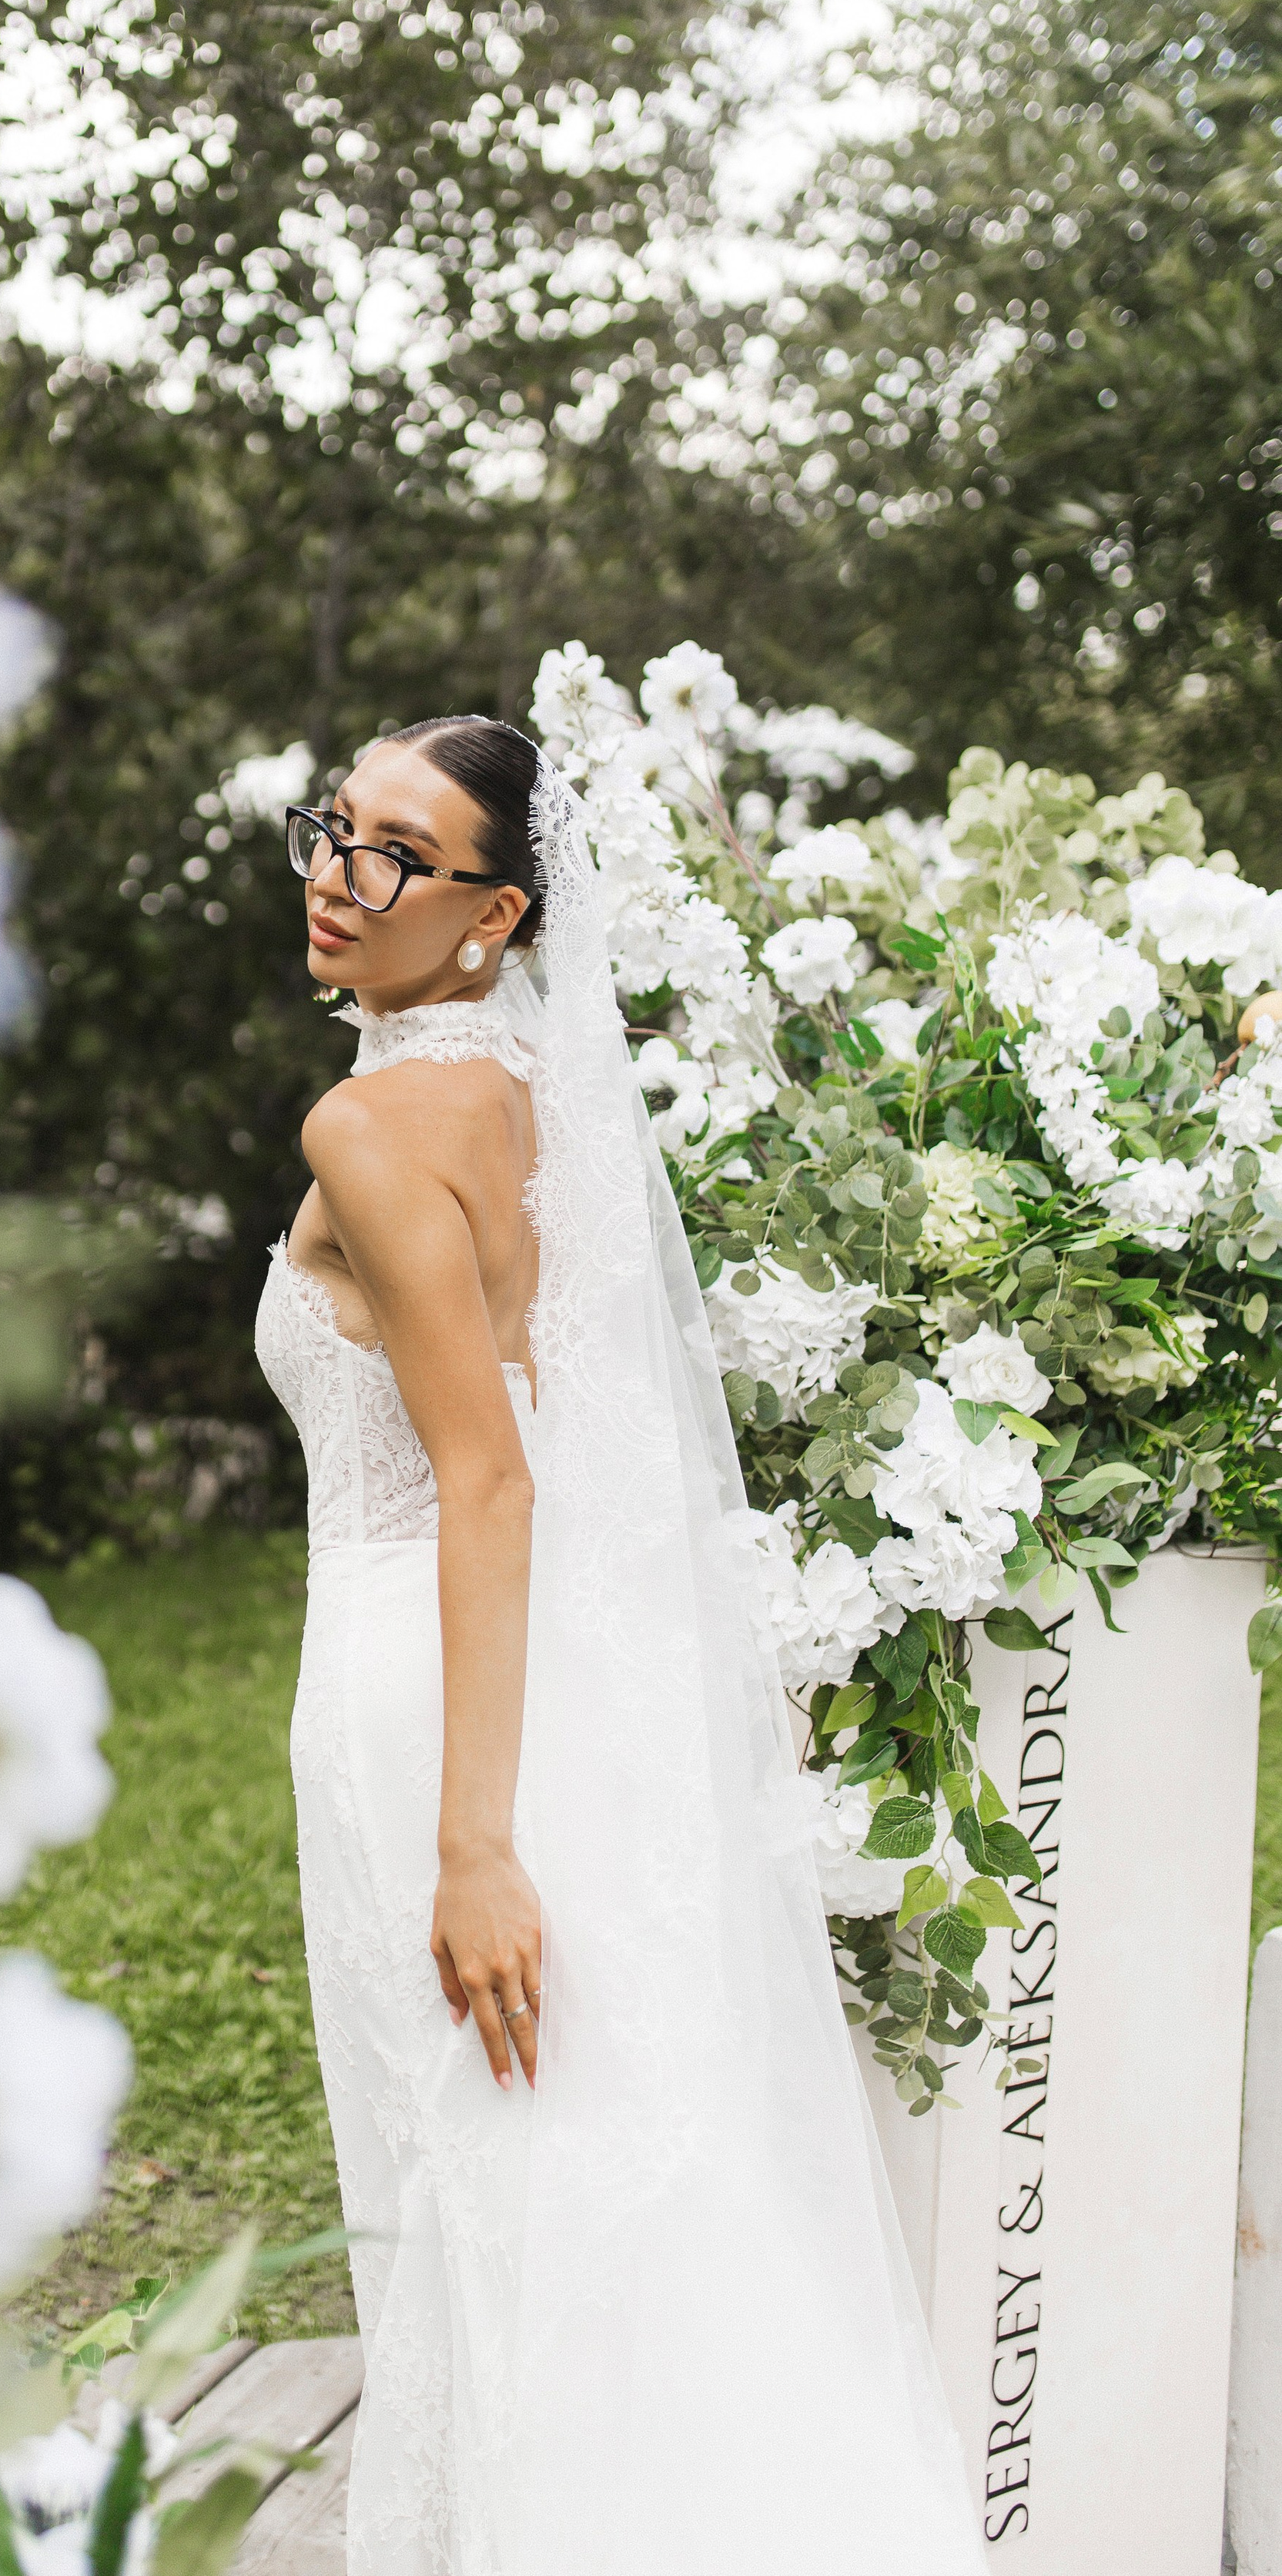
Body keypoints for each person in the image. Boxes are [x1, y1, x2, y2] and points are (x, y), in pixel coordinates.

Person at [253, 715, 985, 2575]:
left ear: (491, 916)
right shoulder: (520, 1096)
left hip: (435, 1707)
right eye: (333, 832)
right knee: (571, 2179)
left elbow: (488, 1483)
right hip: (512, 1693)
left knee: (501, 2201)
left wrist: (474, 1844)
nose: (342, 876)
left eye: (397, 855)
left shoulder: (372, 1121)